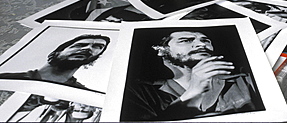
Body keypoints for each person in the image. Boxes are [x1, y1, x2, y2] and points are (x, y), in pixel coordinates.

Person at [121, 31, 260, 121]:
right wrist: (193, 92)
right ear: (161, 51)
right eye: (185, 40)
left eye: (206, 40)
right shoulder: (139, 92)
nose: (201, 44)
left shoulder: (243, 80)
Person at [0, 34, 110, 89]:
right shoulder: (5, 79)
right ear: (56, 52)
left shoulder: (83, 93)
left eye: (98, 47)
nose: (88, 48)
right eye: (80, 45)